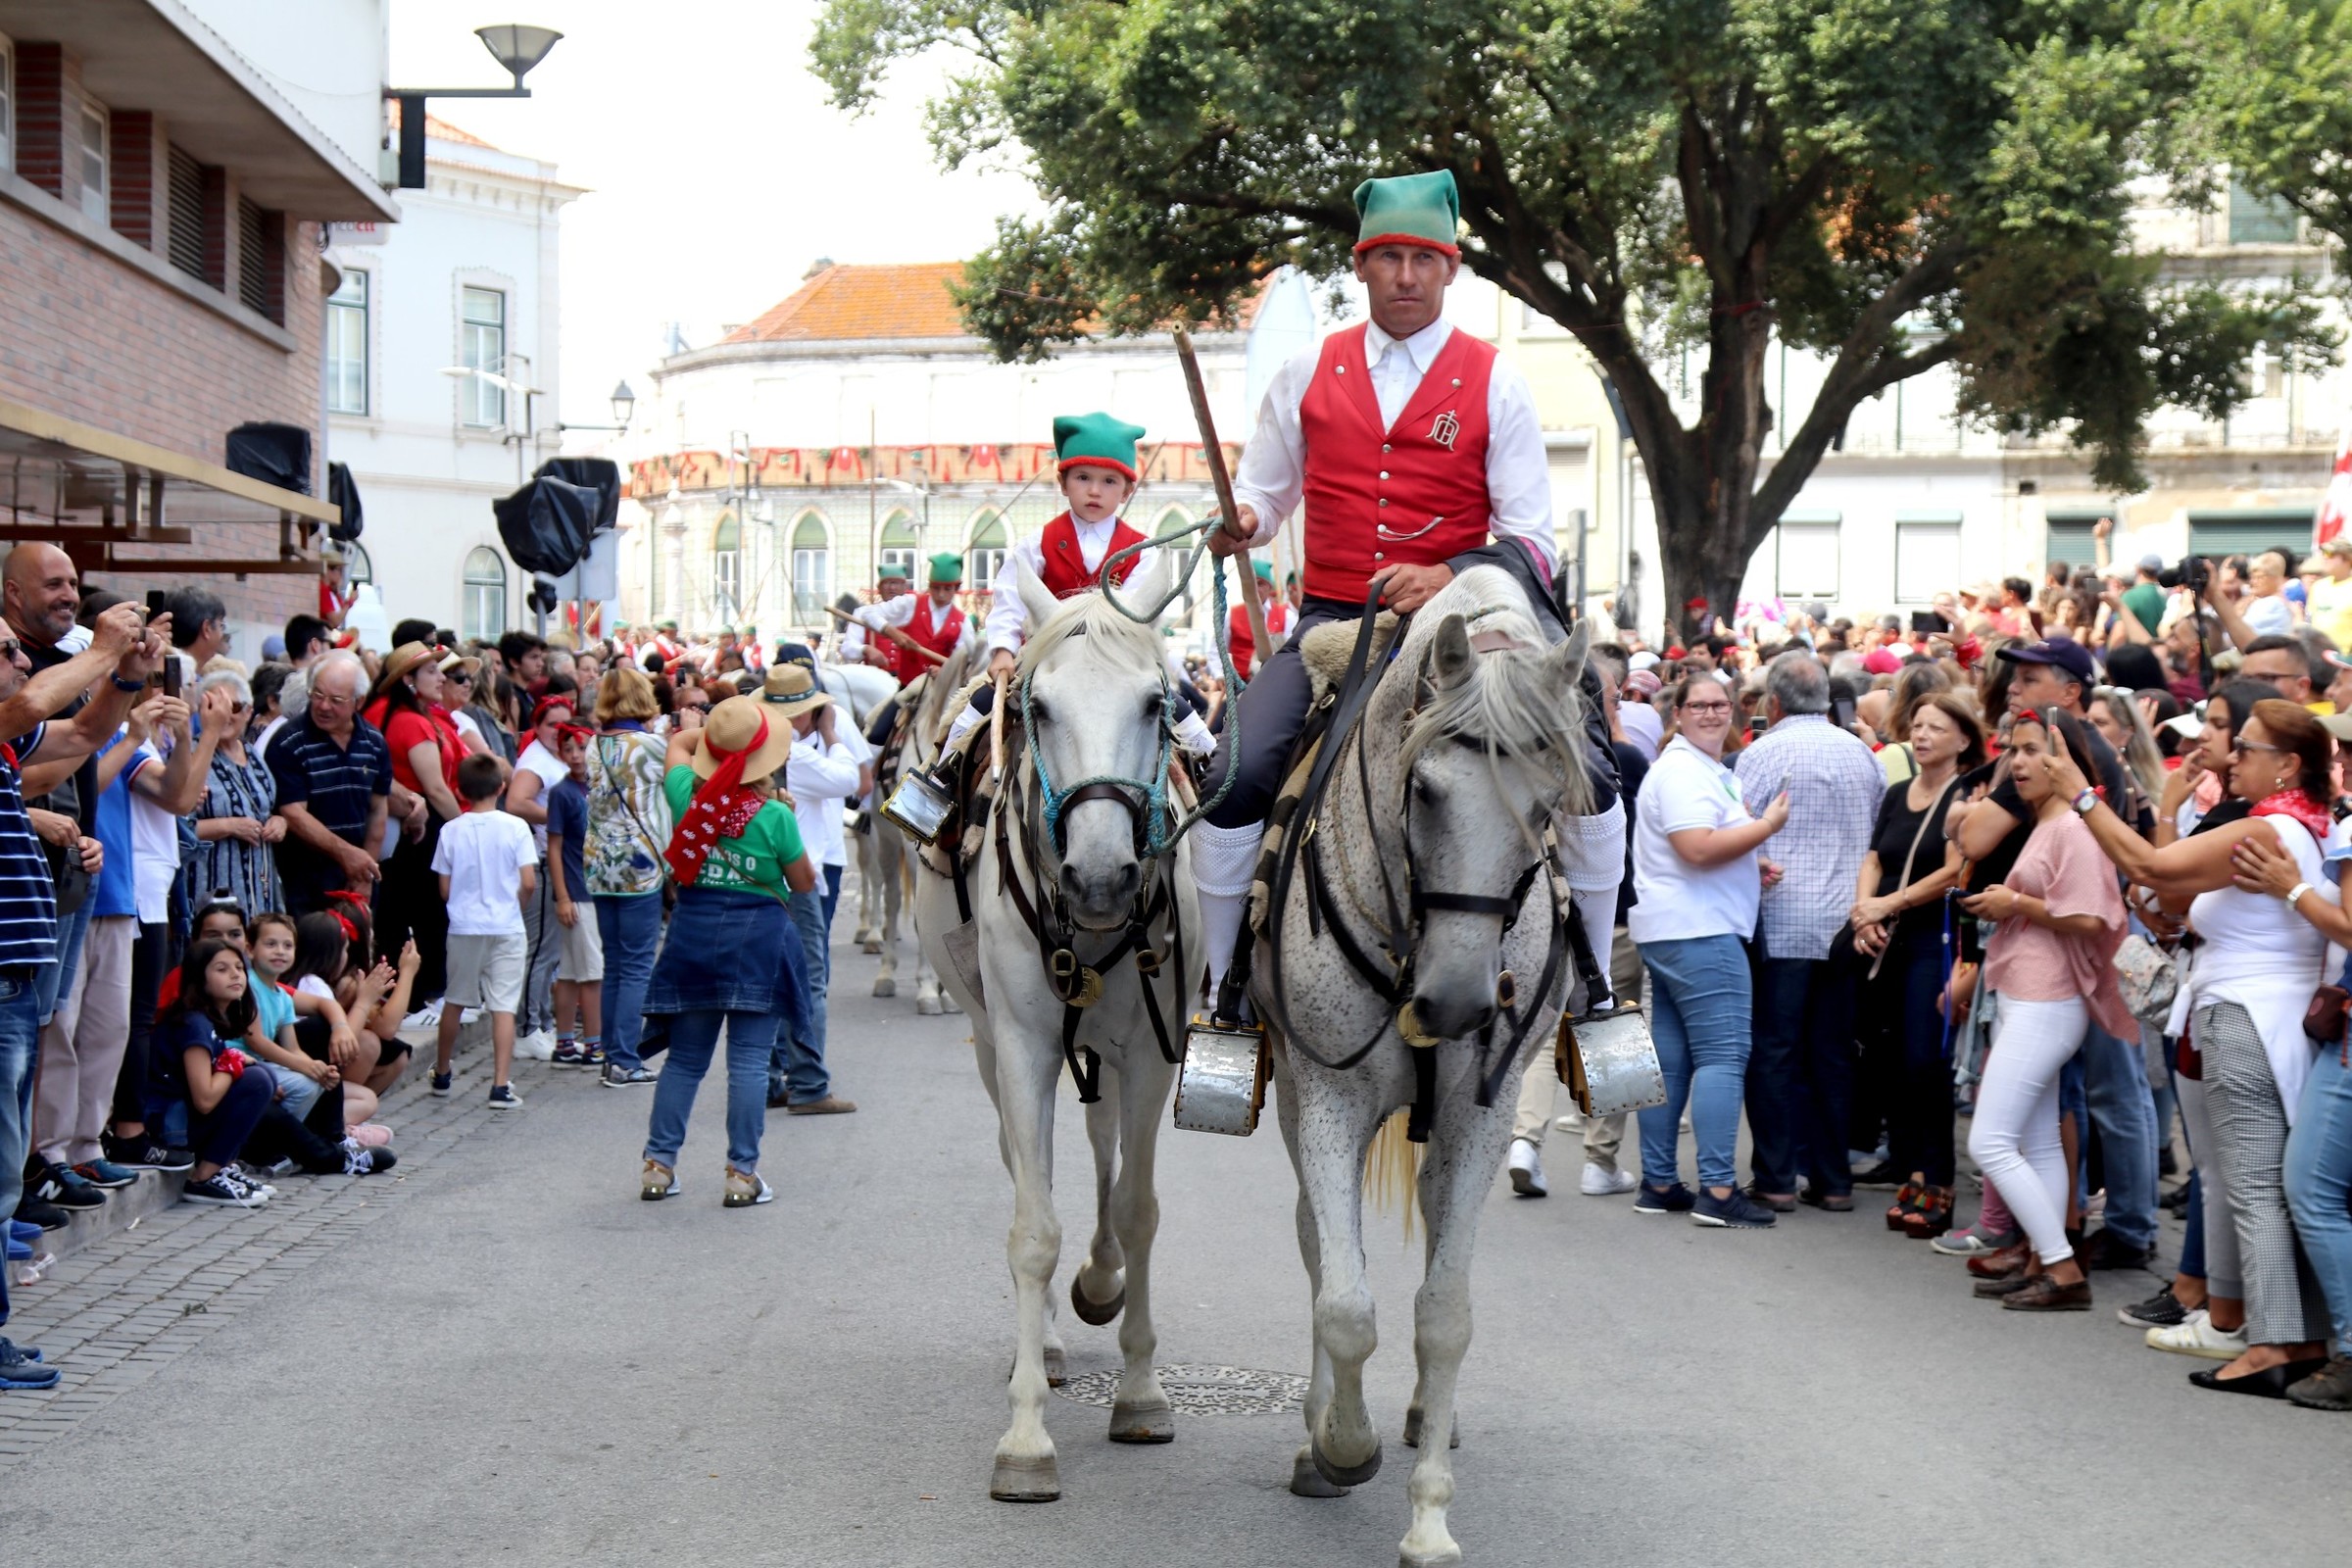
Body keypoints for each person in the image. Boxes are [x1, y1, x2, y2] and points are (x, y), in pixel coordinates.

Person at [1194, 170, 1590, 1004]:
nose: (1406, 275)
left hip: (1468, 635)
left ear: (1449, 270)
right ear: (1361, 266)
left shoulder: (1497, 381)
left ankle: (1589, 991)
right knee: (1232, 774)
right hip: (1335, 623)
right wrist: (1247, 524)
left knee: (1596, 775)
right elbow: (1266, 494)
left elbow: (1532, 543)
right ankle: (1222, 986)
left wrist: (1450, 572)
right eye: (1388, 258)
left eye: (1423, 258)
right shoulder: (1303, 373)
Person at [2041, 699, 2335, 1385]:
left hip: (2248, 1018)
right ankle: (2281, 1334)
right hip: (2253, 1015)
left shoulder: (2274, 831)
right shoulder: (2290, 827)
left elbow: (2150, 862)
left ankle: (2278, 1343)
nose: (2235, 757)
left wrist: (2081, 797)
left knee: (2255, 1186)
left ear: (2289, 765)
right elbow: (2169, 885)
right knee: (2252, 1182)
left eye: (2250, 748)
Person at [1955, 710, 2134, 1312]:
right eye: (2013, 750)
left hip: (2047, 999)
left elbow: (2093, 919)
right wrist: (2012, 905)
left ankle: (2060, 1266)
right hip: (2031, 993)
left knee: (1991, 1141)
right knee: (2036, 1143)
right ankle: (2046, 1259)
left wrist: (2017, 904)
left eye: (2033, 750)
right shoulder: (2053, 822)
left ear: (2069, 761)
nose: (2018, 762)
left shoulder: (2074, 829)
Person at [641, 695, 817, 1208]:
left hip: (693, 935)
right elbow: (803, 883)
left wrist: (708, 734)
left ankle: (658, 1165)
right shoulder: (775, 817)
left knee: (685, 1061)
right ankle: (741, 1174)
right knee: (747, 1062)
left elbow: (677, 742)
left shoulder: (684, 797)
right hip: (757, 944)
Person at [1628, 675, 1789, 1228]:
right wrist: (1768, 826)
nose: (1711, 712)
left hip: (1681, 927)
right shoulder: (1682, 770)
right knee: (1724, 1056)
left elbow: (1702, 847)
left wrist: (1750, 862)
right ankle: (1718, 1191)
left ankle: (1659, 1182)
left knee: (1671, 1061)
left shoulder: (1697, 769)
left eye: (1720, 703)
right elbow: (1696, 847)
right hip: (1699, 931)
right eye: (1698, 704)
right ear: (1678, 712)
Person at [1732, 651, 1885, 1212]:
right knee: (1833, 1052)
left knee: (1774, 1050)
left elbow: (1738, 831)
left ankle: (1775, 1176)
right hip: (1847, 922)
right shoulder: (1861, 755)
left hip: (1782, 919)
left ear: (1773, 703)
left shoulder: (1760, 754)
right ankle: (1833, 1177)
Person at [1852, 694, 1985, 1238]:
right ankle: (1909, 1168)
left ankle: (1938, 1180)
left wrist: (1889, 904)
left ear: (1963, 740)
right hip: (1886, 940)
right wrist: (1864, 913)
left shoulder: (1968, 794)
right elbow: (1874, 856)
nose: (1924, 735)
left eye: (1937, 728)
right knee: (1889, 1060)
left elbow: (1958, 870)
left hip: (1935, 938)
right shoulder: (1896, 791)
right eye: (1918, 726)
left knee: (1923, 1060)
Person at [761, 662, 858, 1115]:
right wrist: (834, 734)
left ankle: (772, 1075)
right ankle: (809, 1083)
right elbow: (850, 779)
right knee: (809, 982)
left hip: (767, 878)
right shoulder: (795, 755)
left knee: (773, 981)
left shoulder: (763, 749)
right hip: (800, 876)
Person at [430, 754, 539, 1109]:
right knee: (504, 1005)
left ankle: (443, 1071)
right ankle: (500, 1084)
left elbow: (444, 889)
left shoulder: (450, 830)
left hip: (464, 925)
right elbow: (527, 881)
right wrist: (518, 904)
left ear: (460, 789)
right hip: (506, 924)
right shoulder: (516, 827)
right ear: (501, 787)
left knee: (455, 1000)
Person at [362, 644, 462, 1004]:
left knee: (393, 912)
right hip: (421, 827)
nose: (441, 677)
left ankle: (402, 993)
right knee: (428, 914)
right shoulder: (411, 721)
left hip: (391, 823)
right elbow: (435, 787)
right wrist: (464, 828)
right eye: (432, 671)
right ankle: (424, 994)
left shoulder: (376, 711)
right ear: (408, 679)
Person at [584, 667, 667, 1088]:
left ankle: (611, 1052)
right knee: (636, 964)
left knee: (616, 963)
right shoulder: (649, 745)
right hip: (639, 865)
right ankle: (624, 1057)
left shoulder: (594, 745)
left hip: (601, 863)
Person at [266, 650, 391, 915]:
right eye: (318, 695)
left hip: (356, 878)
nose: (323, 706)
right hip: (305, 881)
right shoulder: (289, 742)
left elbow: (378, 807)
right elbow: (292, 811)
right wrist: (346, 854)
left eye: (336, 700)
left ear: (358, 702)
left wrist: (364, 872)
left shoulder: (373, 741)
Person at [162, 939, 277, 1207]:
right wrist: (231, 1062)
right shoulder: (193, 1023)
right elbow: (204, 1099)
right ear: (199, 979)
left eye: (239, 967)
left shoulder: (209, 1019)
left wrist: (232, 1062)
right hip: (170, 1130)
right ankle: (205, 1177)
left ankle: (224, 1166)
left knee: (263, 1075)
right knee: (257, 1080)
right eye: (222, 969)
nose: (236, 974)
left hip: (184, 1121)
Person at [506, 696, 577, 1056]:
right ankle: (526, 1028)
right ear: (537, 727)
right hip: (538, 862)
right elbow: (516, 802)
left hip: (553, 863)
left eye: (566, 724)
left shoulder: (553, 757)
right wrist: (559, 822)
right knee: (538, 951)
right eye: (552, 724)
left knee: (550, 952)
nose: (559, 731)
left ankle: (542, 1024)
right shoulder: (535, 759)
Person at [190, 669, 285, 916]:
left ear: (248, 710)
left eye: (232, 707)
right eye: (213, 706)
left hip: (259, 889)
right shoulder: (190, 755)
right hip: (211, 888)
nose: (223, 716)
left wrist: (279, 821)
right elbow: (175, 827)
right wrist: (229, 826)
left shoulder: (253, 754)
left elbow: (268, 808)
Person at [543, 726, 605, 1072]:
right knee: (591, 972)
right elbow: (554, 846)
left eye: (582, 747)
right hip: (579, 892)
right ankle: (594, 1044)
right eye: (569, 749)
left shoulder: (597, 786)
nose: (577, 755)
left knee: (569, 970)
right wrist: (562, 895)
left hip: (595, 886)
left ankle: (564, 1041)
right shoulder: (562, 793)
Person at [838, 562, 913, 675]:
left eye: (896, 583)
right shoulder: (863, 613)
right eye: (886, 583)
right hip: (876, 679)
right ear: (879, 588)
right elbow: (847, 649)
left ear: (905, 587)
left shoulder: (915, 611)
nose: (892, 587)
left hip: (910, 680)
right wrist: (865, 649)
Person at [1226, 560, 1295, 682]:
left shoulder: (1287, 616)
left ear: (1270, 587)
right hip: (1240, 683)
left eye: (1260, 583)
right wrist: (1219, 676)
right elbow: (1216, 651)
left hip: (1274, 682)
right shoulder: (1231, 614)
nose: (1255, 588)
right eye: (1250, 583)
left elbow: (1292, 655)